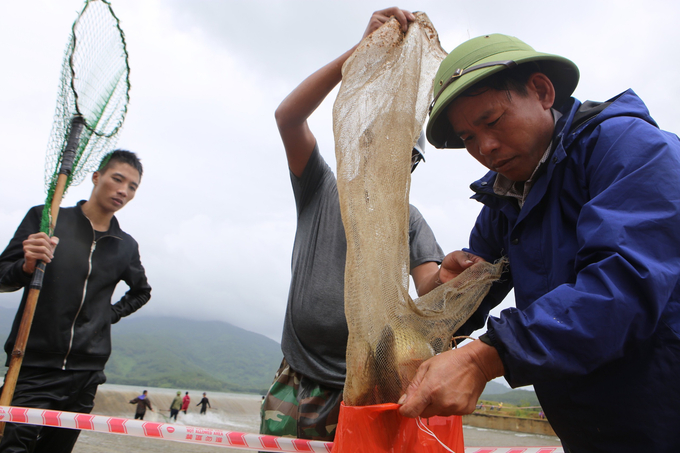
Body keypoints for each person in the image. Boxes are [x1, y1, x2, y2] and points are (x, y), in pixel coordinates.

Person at [398, 33, 680, 452]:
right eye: (468, 138)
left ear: (543, 92)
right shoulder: (504, 202)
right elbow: (464, 304)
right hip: (589, 431)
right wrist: (450, 290)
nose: (485, 148)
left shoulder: (629, 150)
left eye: (492, 121)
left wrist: (484, 357)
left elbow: (624, 285)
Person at [260, 7, 445, 442]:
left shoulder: (411, 221)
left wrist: (454, 276)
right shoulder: (321, 188)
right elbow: (287, 117)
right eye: (378, 141)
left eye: (404, 152)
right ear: (357, 142)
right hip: (296, 375)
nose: (390, 156)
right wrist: (359, 53)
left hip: (362, 388)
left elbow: (430, 290)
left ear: (413, 164)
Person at [0, 149, 151, 453]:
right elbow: (3, 276)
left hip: (86, 375)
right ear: (97, 177)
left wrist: (106, 315)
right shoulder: (48, 218)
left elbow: (141, 291)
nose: (123, 190)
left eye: (132, 186)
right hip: (32, 364)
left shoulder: (126, 245)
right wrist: (27, 266)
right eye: (117, 179)